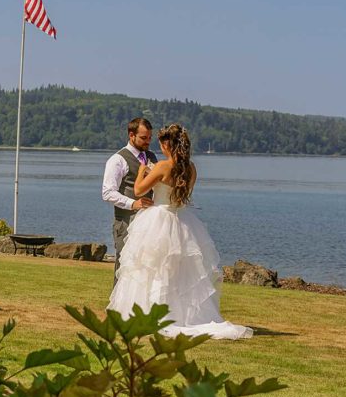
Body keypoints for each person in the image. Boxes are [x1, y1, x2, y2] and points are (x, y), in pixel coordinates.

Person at [107, 123, 253, 340]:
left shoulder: (162, 167)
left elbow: (138, 190)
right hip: (182, 220)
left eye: (160, 143)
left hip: (158, 218)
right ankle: (181, 314)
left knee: (152, 268)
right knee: (179, 271)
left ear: (167, 144)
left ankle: (151, 313)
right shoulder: (191, 168)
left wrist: (141, 171)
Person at [102, 117, 157, 285]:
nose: (148, 142)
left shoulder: (152, 157)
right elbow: (107, 192)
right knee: (124, 267)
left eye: (149, 138)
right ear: (131, 135)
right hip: (125, 223)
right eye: (143, 138)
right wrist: (133, 203)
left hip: (149, 224)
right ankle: (116, 310)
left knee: (146, 268)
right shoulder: (117, 160)